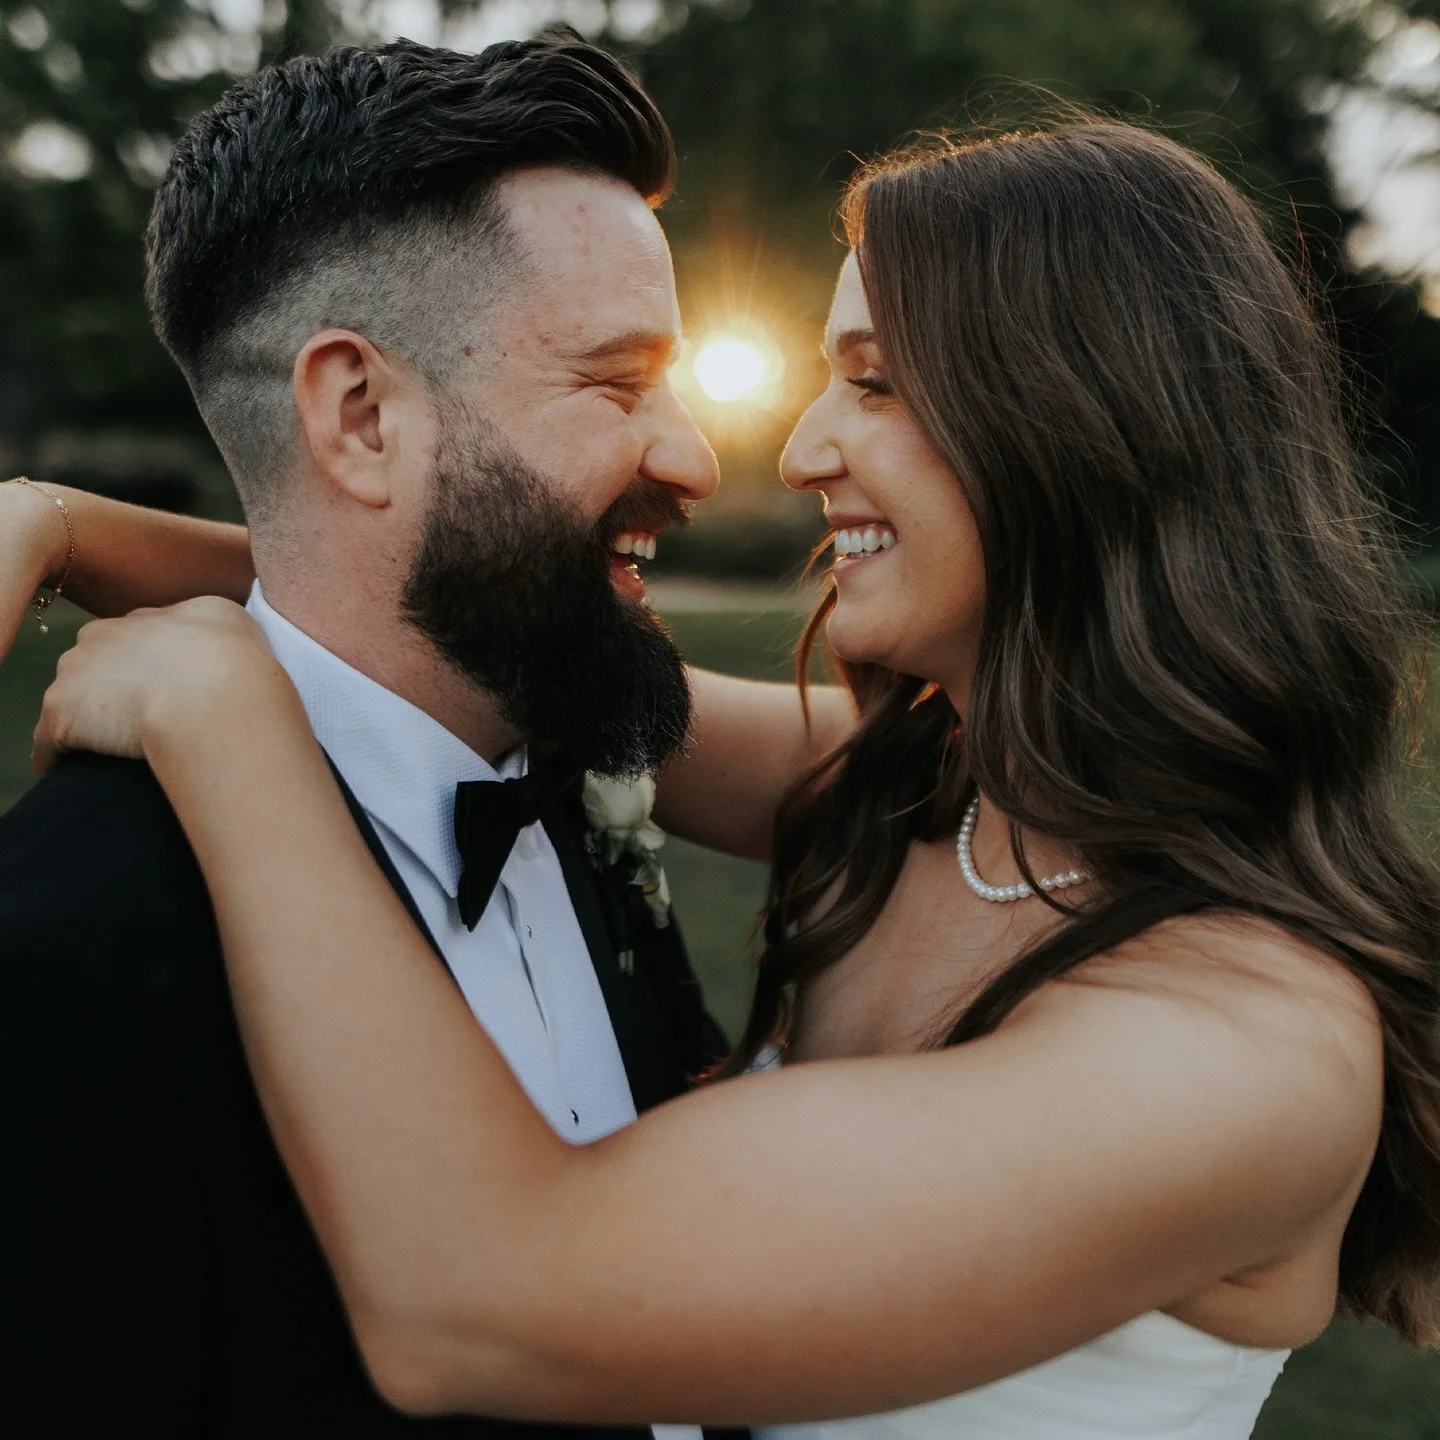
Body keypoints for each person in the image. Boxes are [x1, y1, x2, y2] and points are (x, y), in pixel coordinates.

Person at [9, 119, 1440, 1440]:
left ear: (1086, 431)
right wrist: (64, 527)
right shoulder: (925, 802)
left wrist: (224, 720)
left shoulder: (1241, 1048)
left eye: (873, 384)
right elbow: (467, 607)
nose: (803, 448)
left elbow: (487, 1297)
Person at [0, 31, 771, 1438]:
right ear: (360, 416)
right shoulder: (56, 955)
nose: (697, 457)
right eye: (616, 382)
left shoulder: (582, 771)